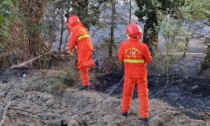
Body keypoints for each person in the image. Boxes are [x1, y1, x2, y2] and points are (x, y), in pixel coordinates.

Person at [118, 23, 152, 126]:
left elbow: (120, 58)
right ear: (139, 34)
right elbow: (149, 60)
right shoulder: (143, 46)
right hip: (141, 76)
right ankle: (144, 118)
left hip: (129, 75)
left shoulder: (124, 45)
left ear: (128, 33)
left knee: (127, 94)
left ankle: (124, 112)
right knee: (143, 96)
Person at [66, 15, 101, 91]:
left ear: (71, 23)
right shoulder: (83, 28)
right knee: (84, 67)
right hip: (89, 47)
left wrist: (69, 49)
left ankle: (95, 62)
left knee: (81, 64)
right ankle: (85, 85)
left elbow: (72, 41)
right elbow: (79, 39)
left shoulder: (75, 29)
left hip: (83, 48)